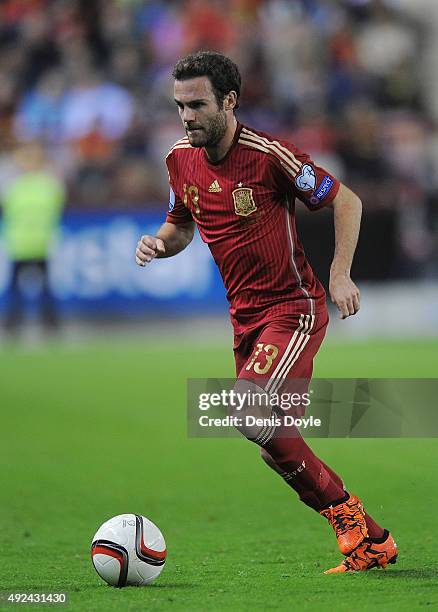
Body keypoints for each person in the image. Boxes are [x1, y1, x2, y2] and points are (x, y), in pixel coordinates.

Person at [135, 51, 397, 573]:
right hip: (245, 321)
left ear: (229, 101)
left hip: (292, 310)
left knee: (245, 411)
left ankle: (346, 515)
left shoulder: (268, 154)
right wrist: (161, 243)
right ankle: (372, 541)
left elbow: (347, 201)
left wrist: (339, 274)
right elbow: (181, 222)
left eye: (197, 105)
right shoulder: (178, 158)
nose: (186, 117)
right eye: (179, 106)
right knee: (268, 439)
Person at [1, 142, 65, 336]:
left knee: (33, 288)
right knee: (29, 289)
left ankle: (24, 325)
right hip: (28, 243)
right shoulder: (48, 186)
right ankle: (41, 325)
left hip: (31, 243)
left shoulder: (15, 187)